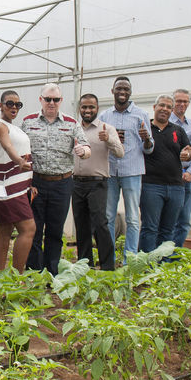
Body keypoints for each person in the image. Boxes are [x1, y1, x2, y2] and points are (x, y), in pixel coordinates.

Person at [21, 84, 90, 275]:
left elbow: (86, 147)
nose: (52, 103)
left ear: (61, 101)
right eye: (48, 99)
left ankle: (51, 273)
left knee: (55, 231)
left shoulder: (71, 123)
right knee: (34, 229)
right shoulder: (27, 122)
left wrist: (83, 151)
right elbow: (19, 149)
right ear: (40, 99)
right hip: (36, 183)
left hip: (62, 183)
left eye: (56, 100)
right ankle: (34, 273)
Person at [99, 76, 153, 259]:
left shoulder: (141, 115)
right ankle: (109, 258)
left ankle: (130, 259)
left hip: (132, 171)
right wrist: (112, 140)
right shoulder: (105, 116)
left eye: (126, 89)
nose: (122, 92)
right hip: (110, 172)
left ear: (130, 92)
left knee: (132, 218)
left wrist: (146, 139)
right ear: (112, 91)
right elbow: (97, 142)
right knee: (108, 217)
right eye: (119, 89)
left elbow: (150, 148)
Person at [73, 93, 123, 270]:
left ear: (97, 108)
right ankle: (85, 264)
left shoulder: (106, 128)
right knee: (81, 224)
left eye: (91, 107)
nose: (87, 110)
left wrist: (108, 140)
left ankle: (108, 266)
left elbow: (120, 152)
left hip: (98, 183)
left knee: (100, 223)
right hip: (76, 183)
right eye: (84, 107)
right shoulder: (74, 128)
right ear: (80, 108)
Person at [139, 95, 191, 253]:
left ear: (172, 110)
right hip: (151, 186)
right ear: (154, 107)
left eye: (169, 107)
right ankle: (147, 265)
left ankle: (164, 266)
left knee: (168, 230)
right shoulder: (145, 128)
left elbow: (189, 150)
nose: (165, 109)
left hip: (176, 187)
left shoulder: (177, 130)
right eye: (161, 105)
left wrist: (187, 154)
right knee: (150, 228)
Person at [0, 91, 35, 272]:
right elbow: (8, 146)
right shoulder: (0, 126)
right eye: (9, 103)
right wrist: (19, 161)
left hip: (15, 187)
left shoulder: (15, 127)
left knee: (4, 231)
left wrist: (29, 182)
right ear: (0, 105)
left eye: (18, 104)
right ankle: (17, 276)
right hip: (7, 187)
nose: (14, 107)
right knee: (28, 229)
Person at [169, 89, 191, 248]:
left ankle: (175, 256)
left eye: (185, 102)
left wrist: (190, 172)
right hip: (170, 178)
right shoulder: (167, 122)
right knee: (169, 220)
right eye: (179, 101)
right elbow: (170, 146)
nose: (182, 104)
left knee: (184, 222)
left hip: (187, 179)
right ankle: (164, 256)